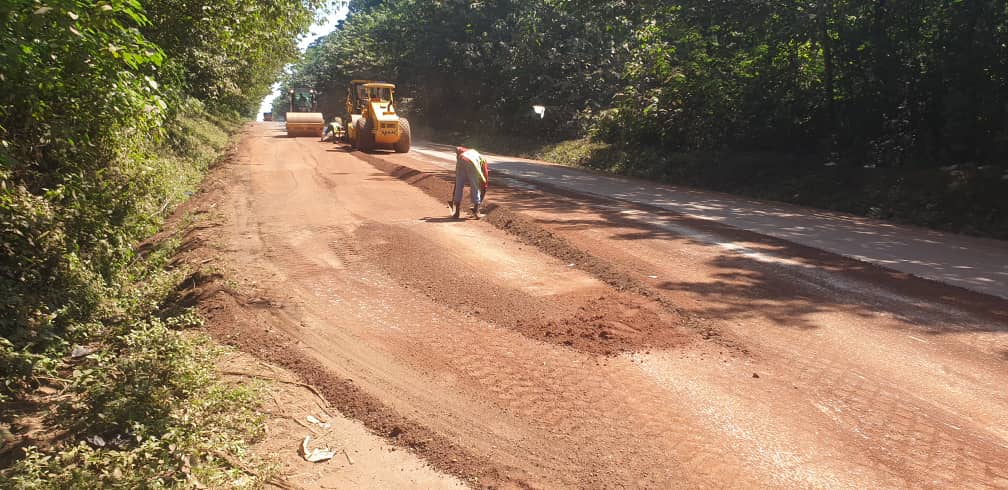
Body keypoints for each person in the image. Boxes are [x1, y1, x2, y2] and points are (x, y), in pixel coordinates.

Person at [450, 146, 488, 219]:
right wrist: (479, 201)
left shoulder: (466, 152)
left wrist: (455, 191)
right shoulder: (482, 160)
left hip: (460, 160)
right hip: (471, 163)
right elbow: (485, 180)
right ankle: (477, 212)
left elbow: (457, 148)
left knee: (459, 186)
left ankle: (456, 212)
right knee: (475, 186)